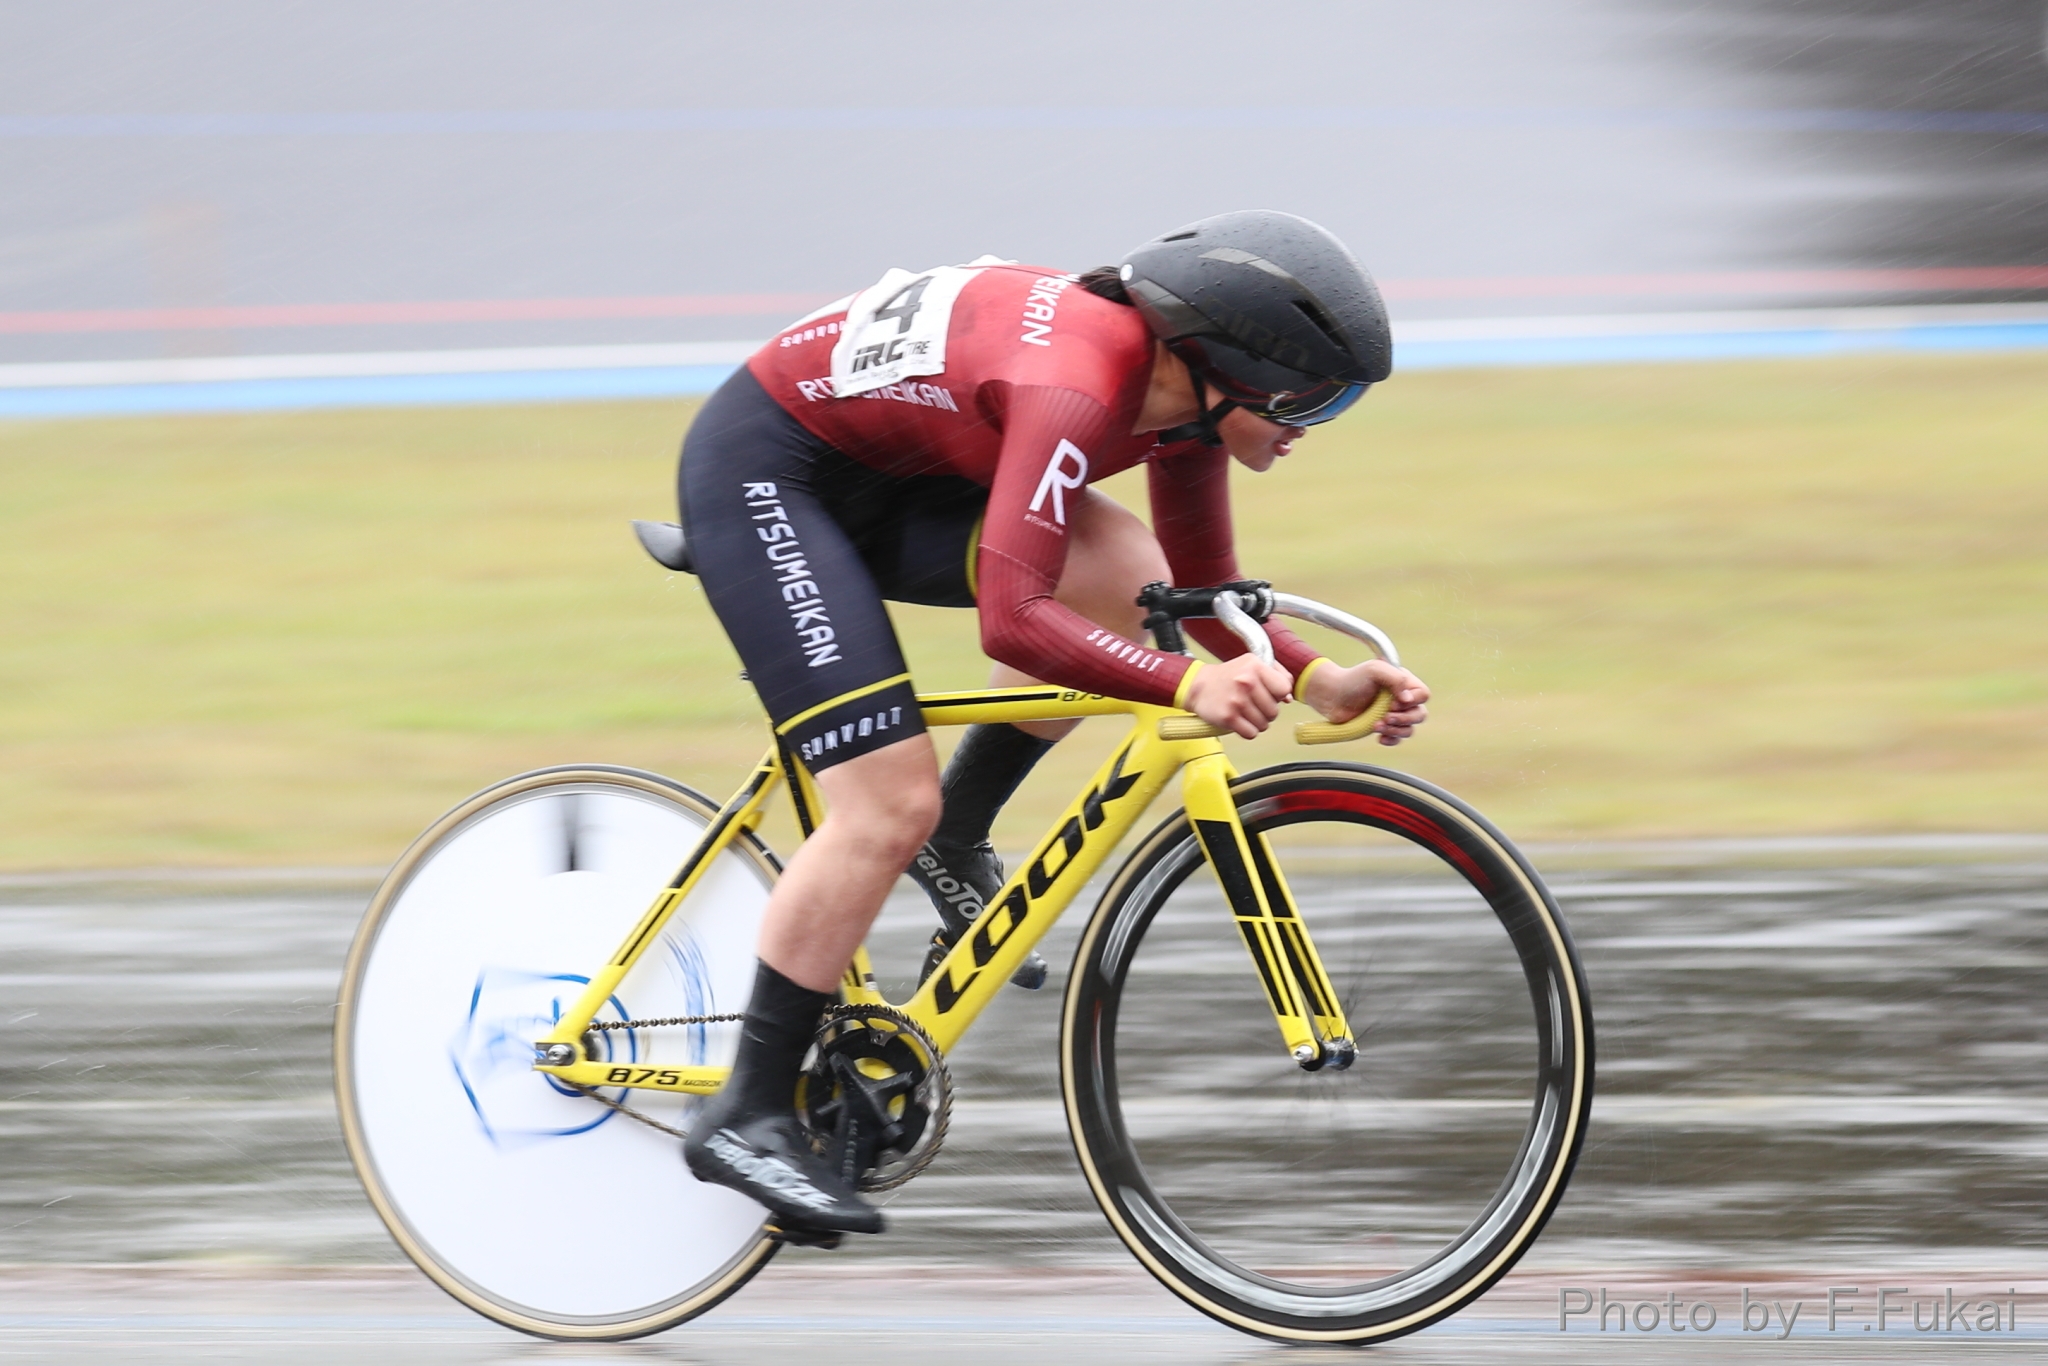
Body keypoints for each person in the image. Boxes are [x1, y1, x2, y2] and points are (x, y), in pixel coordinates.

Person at [674, 210, 1431, 1238]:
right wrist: (1183, 687)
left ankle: (957, 829)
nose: (1315, 422)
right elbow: (1014, 618)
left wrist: (1316, 679)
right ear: (1225, 366)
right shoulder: (1079, 381)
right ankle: (745, 1112)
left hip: (901, 474)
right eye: (1310, 396)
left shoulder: (1183, 401)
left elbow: (1197, 586)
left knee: (1134, 577)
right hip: (772, 479)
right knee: (884, 804)